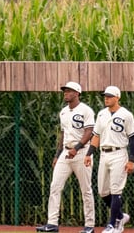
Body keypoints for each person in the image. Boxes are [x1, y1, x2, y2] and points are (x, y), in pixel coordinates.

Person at [37, 81, 97, 233]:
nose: (65, 93)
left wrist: (77, 148)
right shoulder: (63, 112)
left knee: (86, 190)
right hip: (66, 152)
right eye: (64, 91)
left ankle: (89, 225)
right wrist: (57, 155)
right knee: (55, 186)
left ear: (77, 93)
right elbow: (63, 134)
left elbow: (89, 132)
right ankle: (52, 223)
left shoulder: (86, 110)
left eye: (69, 91)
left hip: (81, 153)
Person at [91, 86, 134, 233]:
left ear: (117, 97)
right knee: (103, 191)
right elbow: (96, 136)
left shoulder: (126, 114)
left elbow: (133, 138)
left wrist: (131, 160)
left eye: (110, 96)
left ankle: (112, 224)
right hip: (104, 154)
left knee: (116, 190)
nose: (106, 98)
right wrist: (89, 153)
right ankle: (120, 216)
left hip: (119, 153)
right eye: (105, 95)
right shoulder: (101, 114)